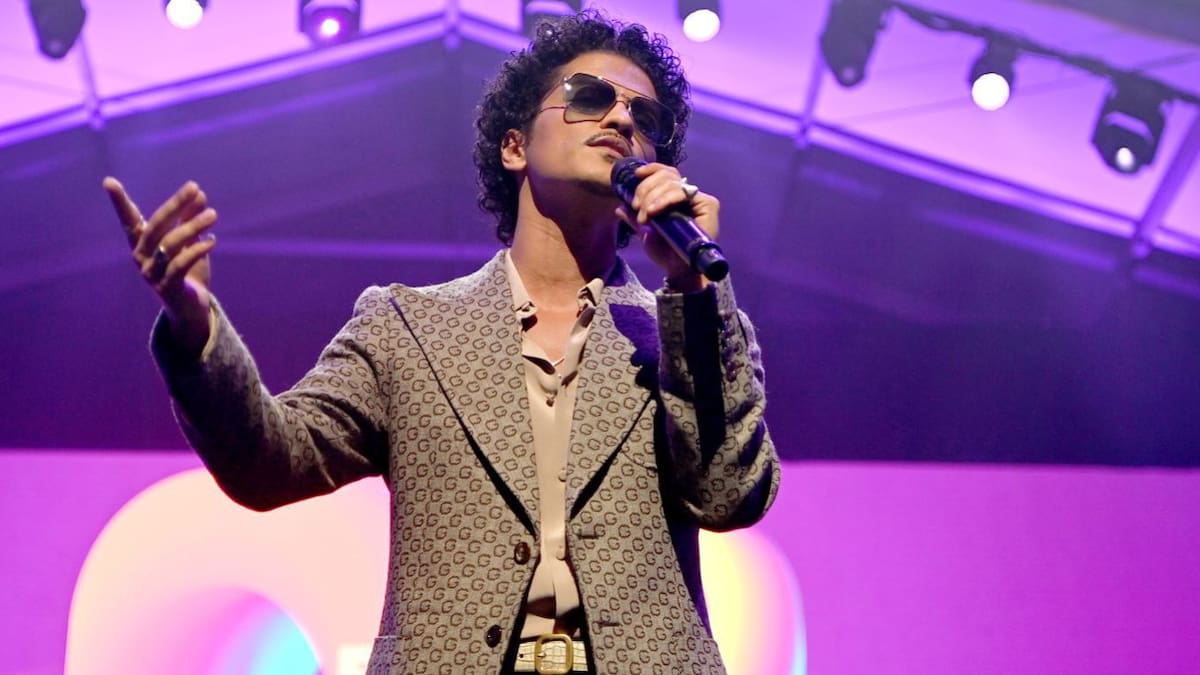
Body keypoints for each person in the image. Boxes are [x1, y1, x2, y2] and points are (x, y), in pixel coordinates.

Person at [104, 10, 778, 675]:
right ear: (514, 147)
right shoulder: (406, 326)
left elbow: (728, 495)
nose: (623, 119)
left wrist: (691, 287)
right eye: (589, 97)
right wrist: (195, 325)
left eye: (645, 117)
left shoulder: (691, 329)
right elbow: (270, 462)